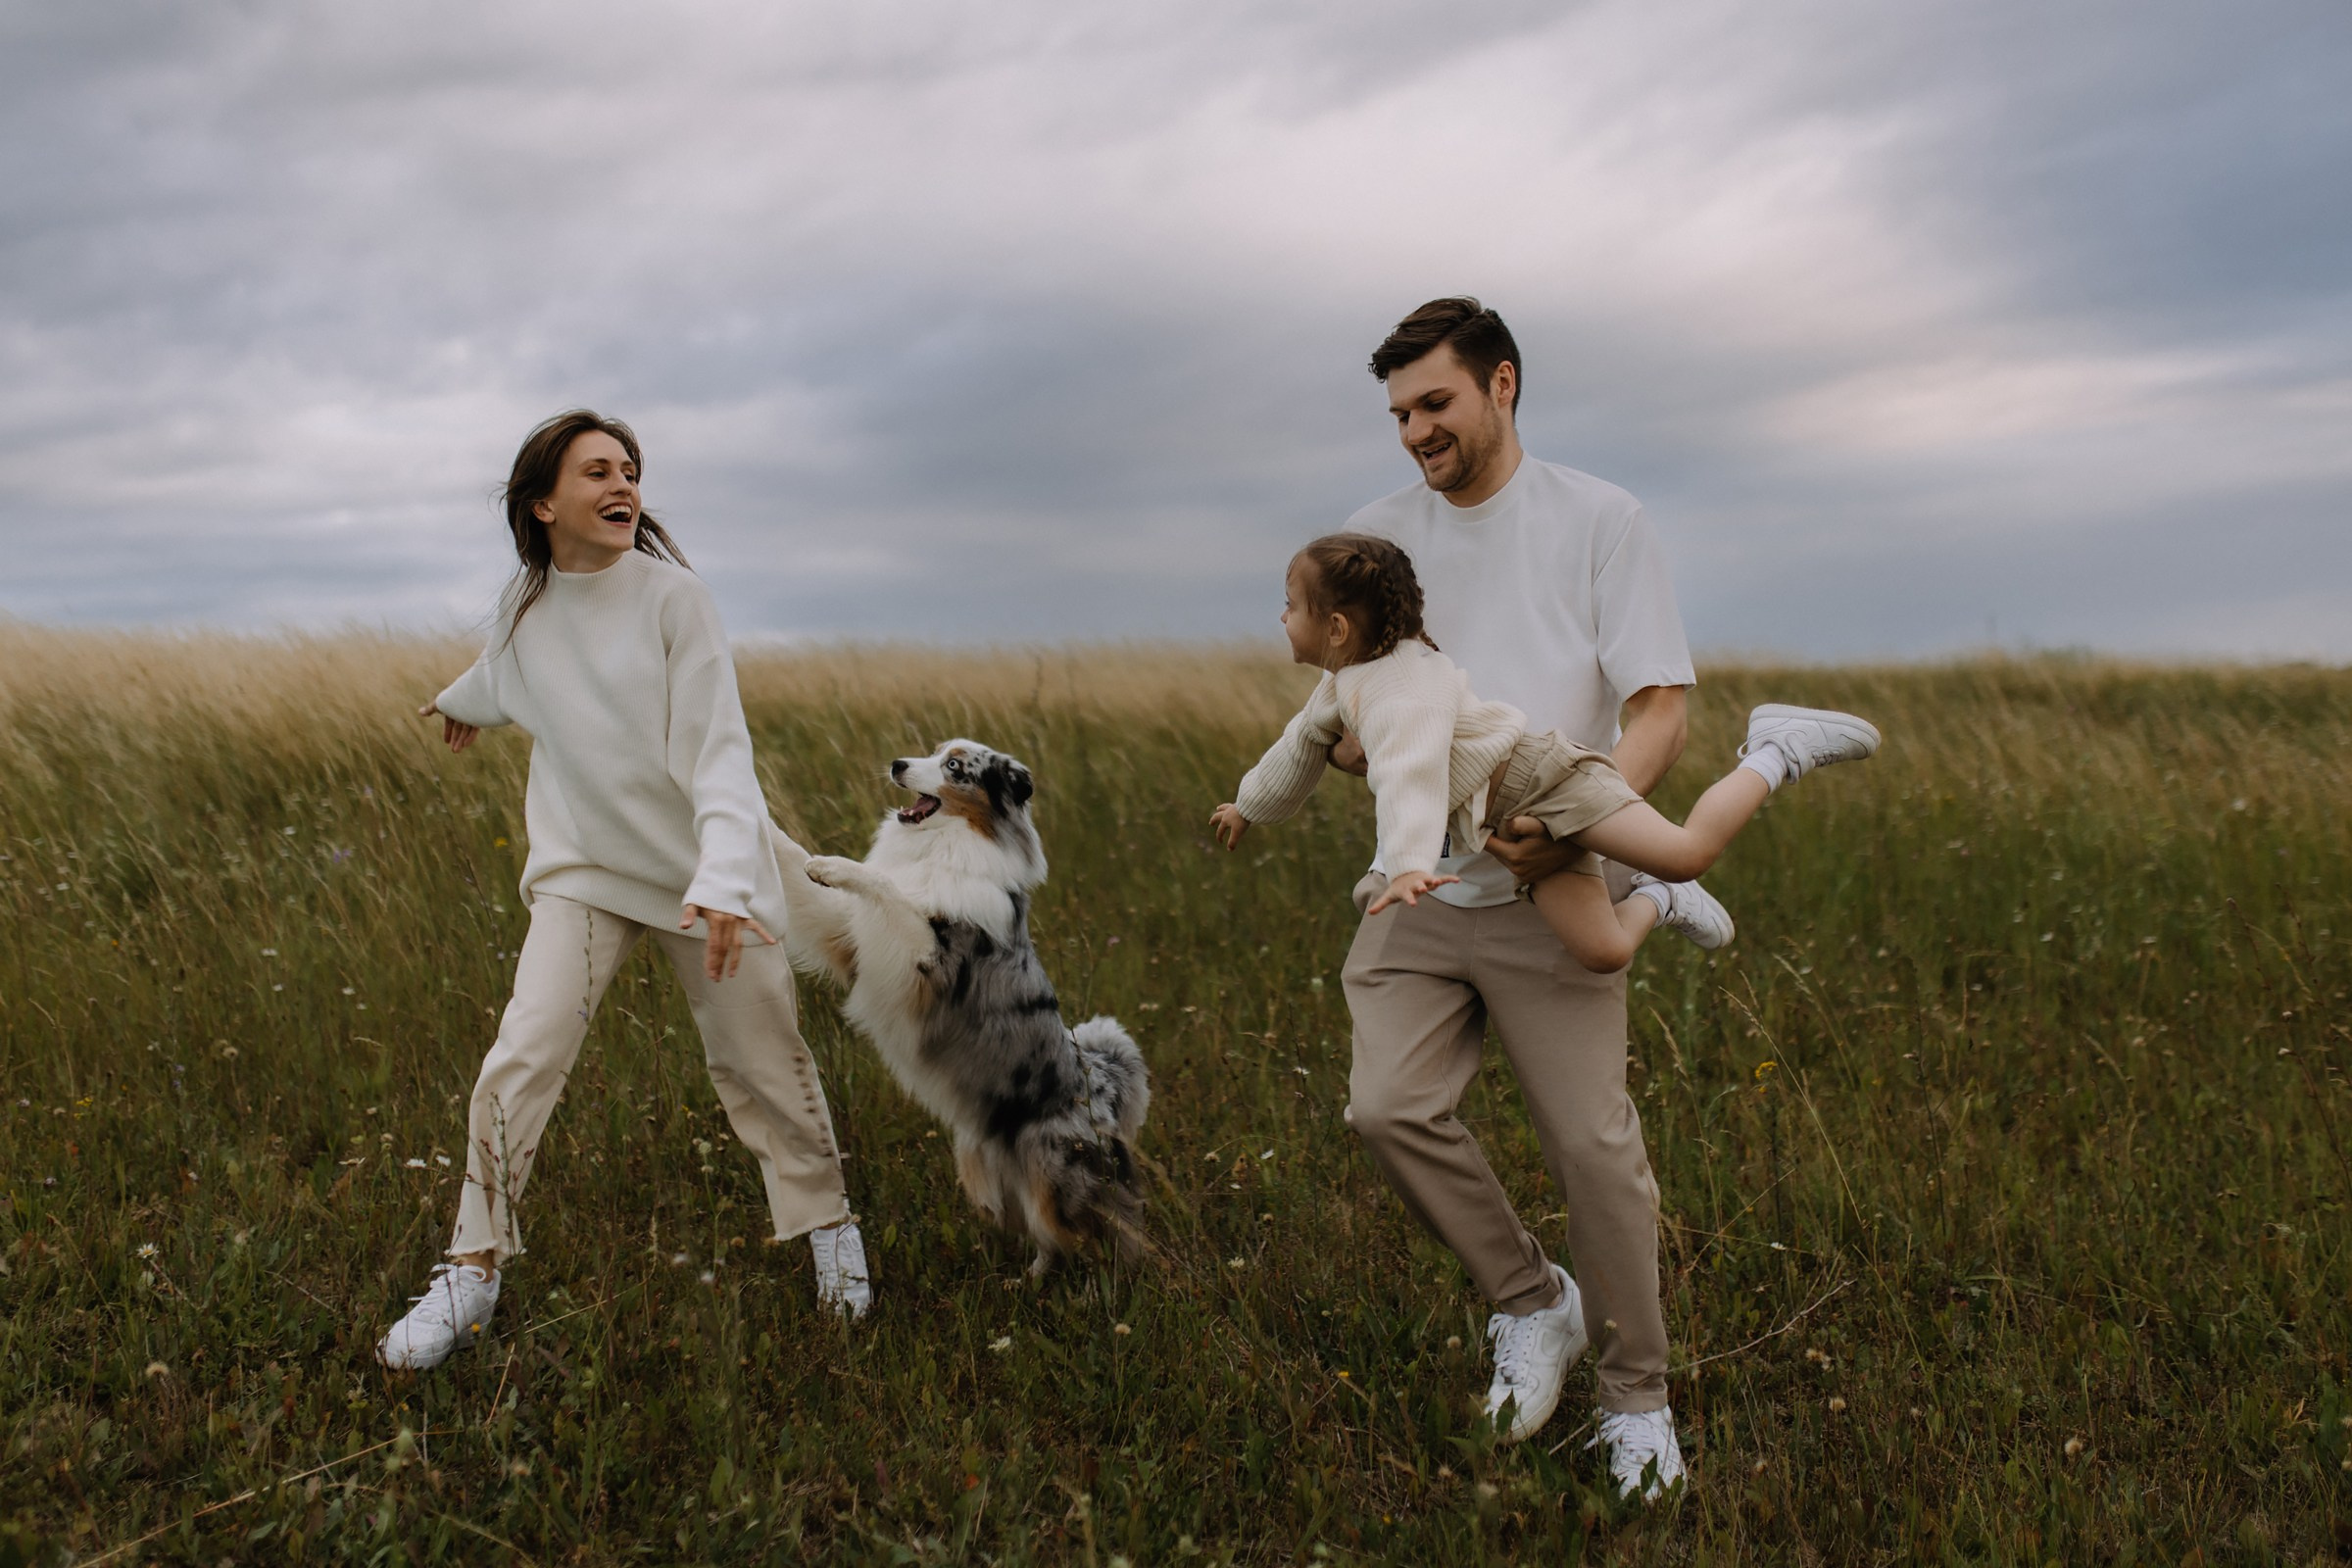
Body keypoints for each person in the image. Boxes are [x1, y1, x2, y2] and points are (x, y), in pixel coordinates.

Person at [1312, 297, 1730, 1499]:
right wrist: (1349, 750)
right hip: (1422, 892)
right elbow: (1353, 711)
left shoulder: (1602, 520)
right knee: (1386, 1110)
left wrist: (1566, 832)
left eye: (1434, 404)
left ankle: (1636, 1398)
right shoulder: (1373, 535)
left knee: (1598, 1157)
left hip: (1558, 881)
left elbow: (1659, 706)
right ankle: (1532, 1299)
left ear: (1502, 385)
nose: (1414, 434)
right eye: (1397, 414)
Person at [377, 410, 869, 1372]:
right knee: (522, 1055)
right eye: (597, 469)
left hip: (705, 875)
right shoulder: (522, 610)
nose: (623, 484)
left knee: (762, 1063)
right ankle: (472, 1272)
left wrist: (730, 881)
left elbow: (723, 751)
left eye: (632, 470)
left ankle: (830, 1228)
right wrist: (456, 700)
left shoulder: (675, 601)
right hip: (588, 875)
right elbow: (506, 671)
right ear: (543, 502)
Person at [1210, 533, 1878, 974]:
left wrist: (1409, 866)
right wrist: (1249, 806)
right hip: (1508, 820)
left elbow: (1407, 776)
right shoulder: (1343, 681)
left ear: (1335, 627)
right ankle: (1663, 901)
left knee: (1687, 852)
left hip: (1548, 780)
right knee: (1605, 950)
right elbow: (1296, 747)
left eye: (1289, 606)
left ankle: (1774, 748)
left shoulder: (1402, 690)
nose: (1280, 618)